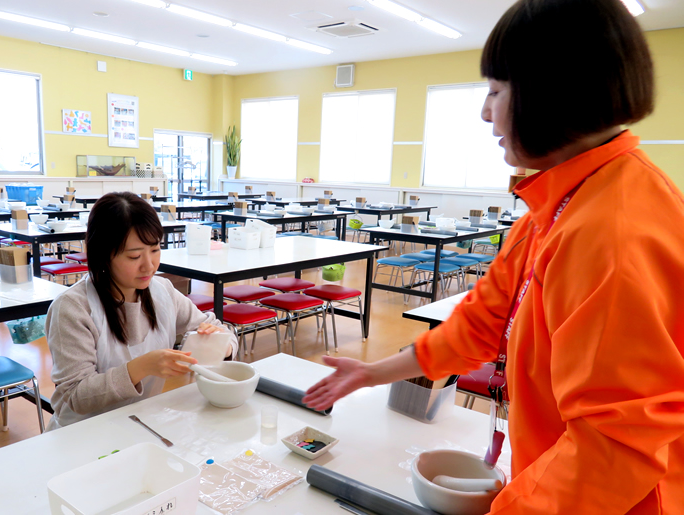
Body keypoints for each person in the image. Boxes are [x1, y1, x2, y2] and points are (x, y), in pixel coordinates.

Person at [304, 0, 684, 512]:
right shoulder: (557, 205)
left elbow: (613, 448)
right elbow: (481, 325)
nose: (486, 112)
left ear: (550, 90)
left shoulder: (613, 231)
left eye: (496, 91)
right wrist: (373, 373)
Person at [46, 192, 238, 429]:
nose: (149, 265)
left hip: (140, 423)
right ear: (104, 254)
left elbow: (223, 331)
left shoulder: (162, 291)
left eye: (155, 250)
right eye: (134, 256)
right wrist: (141, 367)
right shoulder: (73, 308)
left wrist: (221, 345)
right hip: (83, 432)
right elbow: (77, 396)